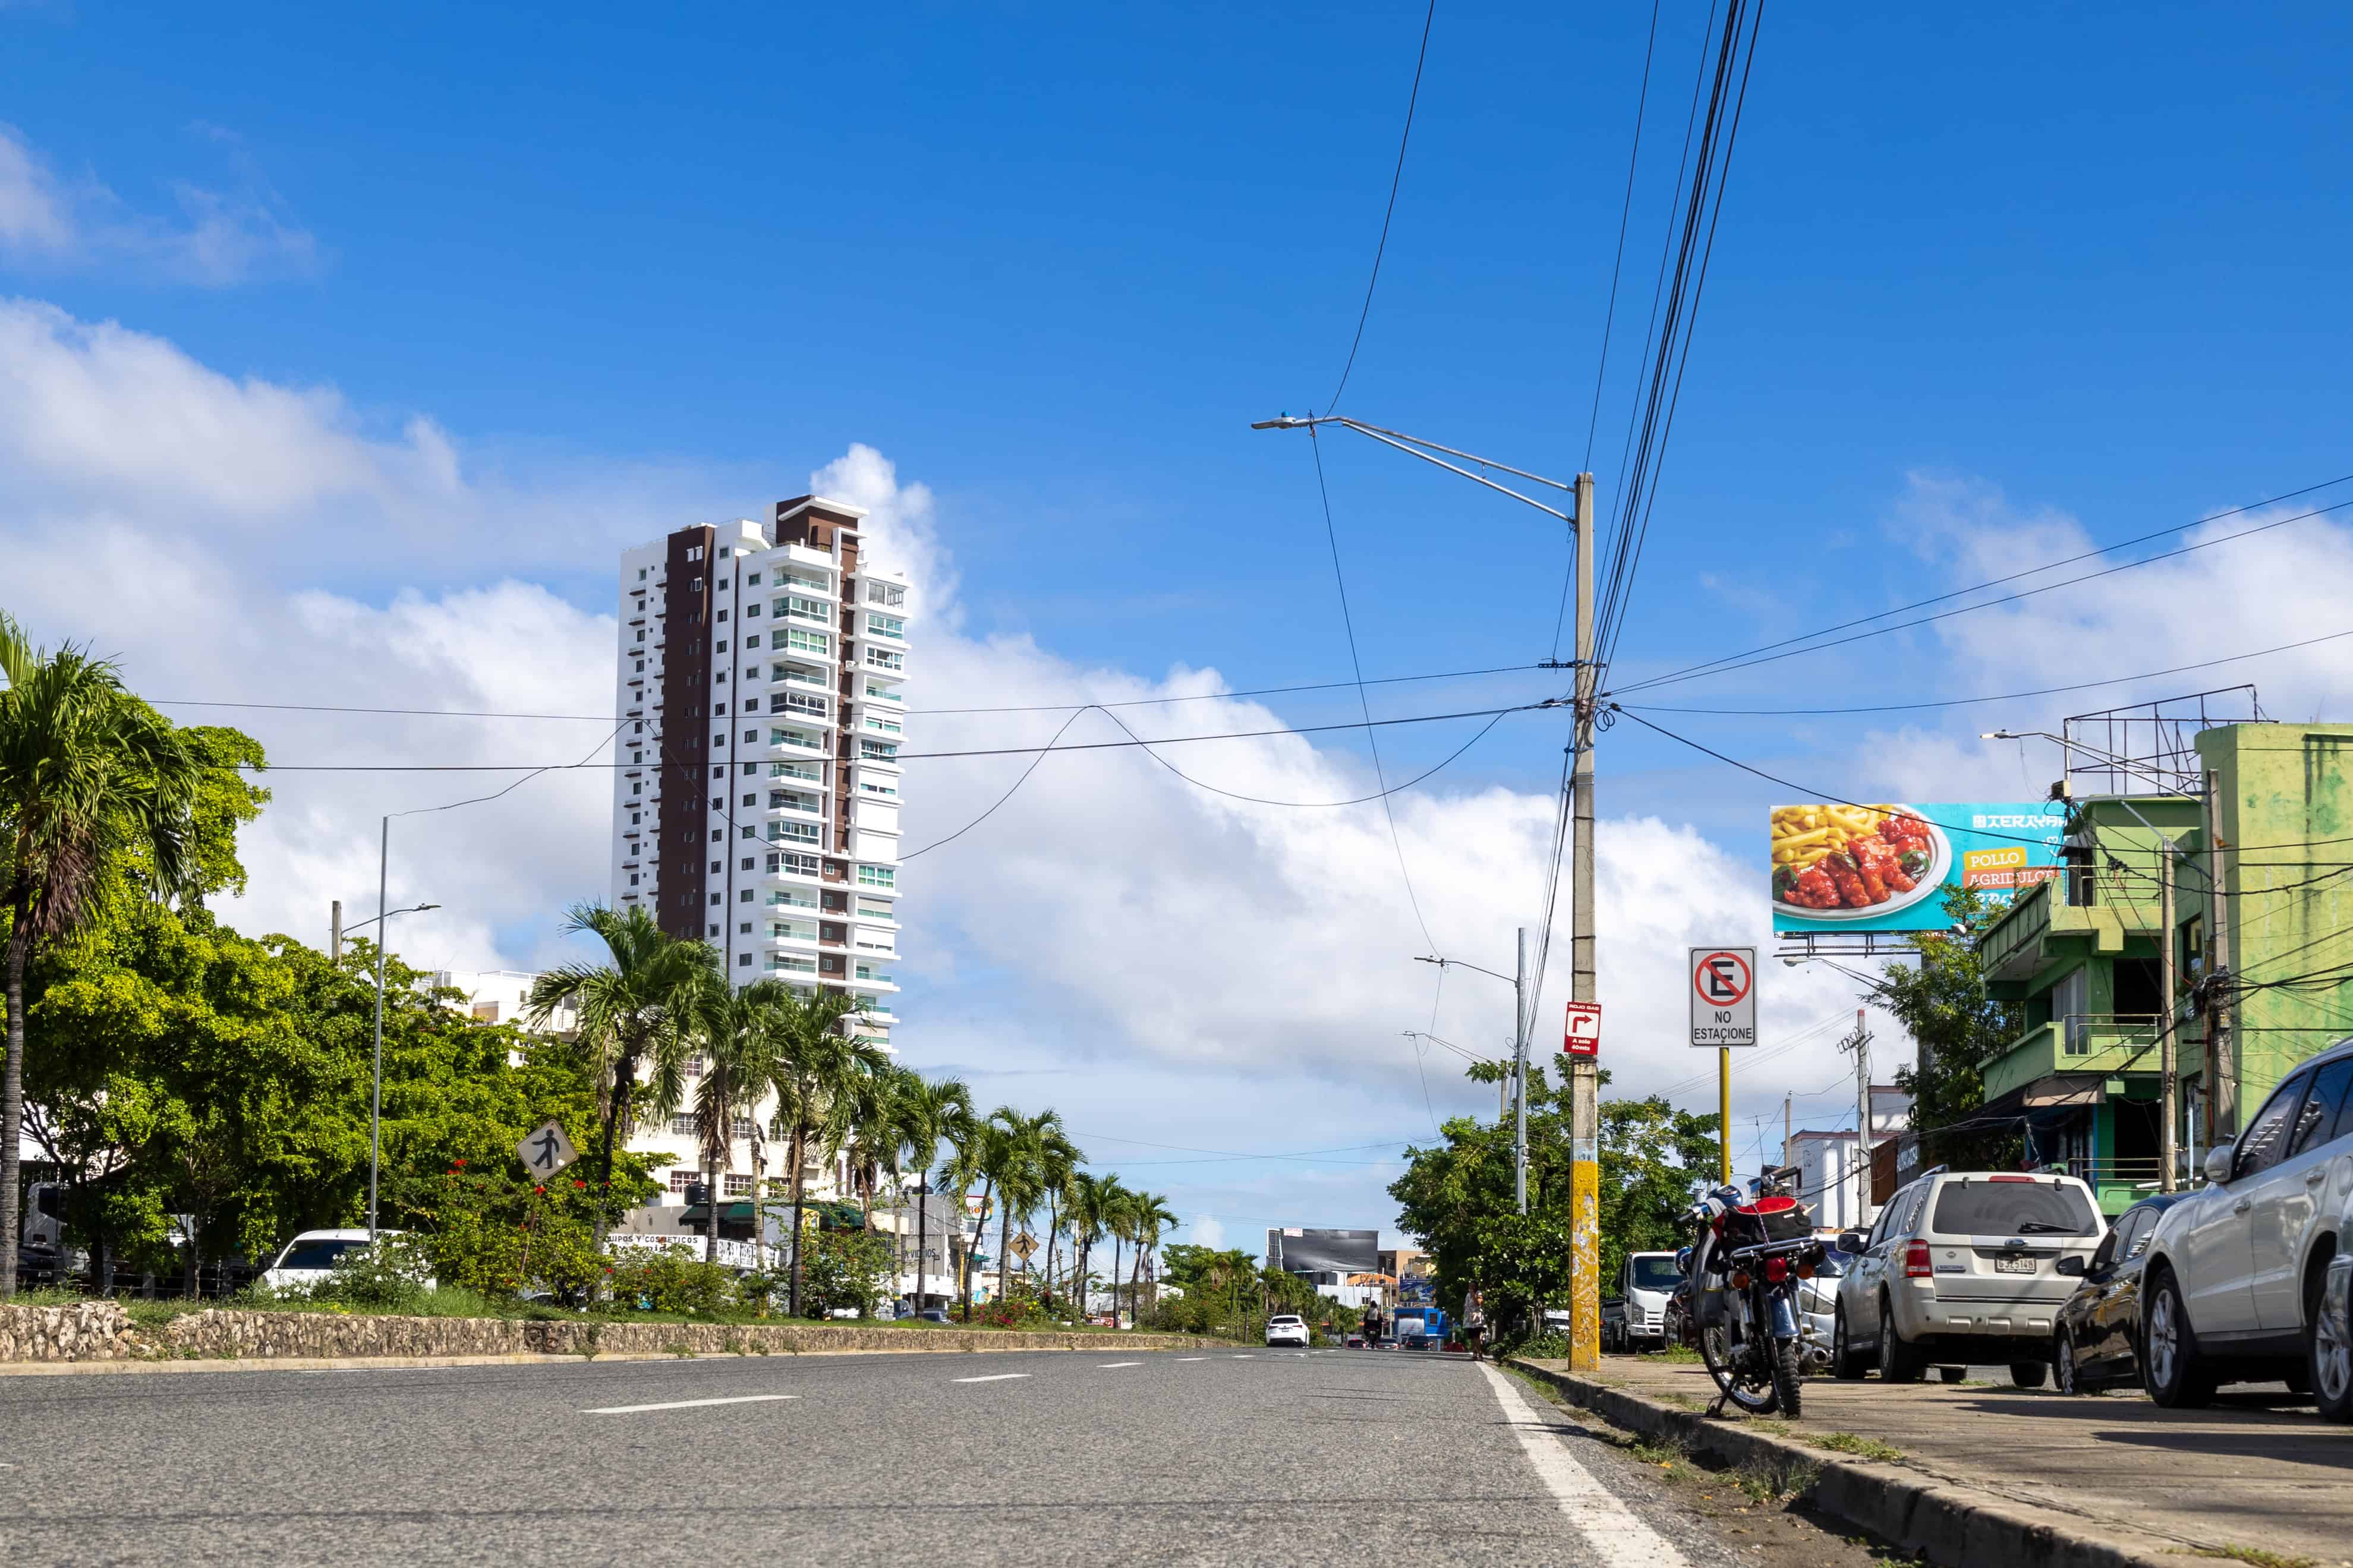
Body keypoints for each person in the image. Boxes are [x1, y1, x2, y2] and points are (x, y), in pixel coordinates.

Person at [1463, 1285, 1488, 1362]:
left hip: (1477, 1320)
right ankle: (1475, 1354)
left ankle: (1480, 1354)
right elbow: (1466, 1305)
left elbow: (1478, 1303)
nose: (1470, 1287)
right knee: (1472, 1338)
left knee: (1476, 1337)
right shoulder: (1468, 1295)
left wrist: (1473, 1294)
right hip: (1469, 1319)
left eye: (1472, 1286)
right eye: (1470, 1286)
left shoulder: (1479, 1293)